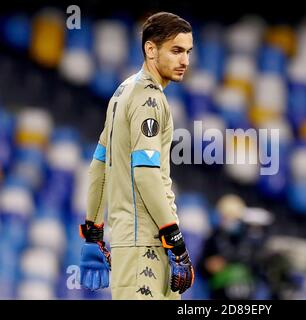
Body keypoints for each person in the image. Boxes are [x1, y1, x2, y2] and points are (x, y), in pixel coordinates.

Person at [78, 12, 195, 300]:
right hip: (147, 243)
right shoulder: (150, 98)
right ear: (151, 49)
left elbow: (99, 166)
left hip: (135, 242)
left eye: (188, 52)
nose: (185, 61)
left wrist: (94, 234)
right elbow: (144, 173)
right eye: (177, 51)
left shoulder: (121, 93)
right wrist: (175, 241)